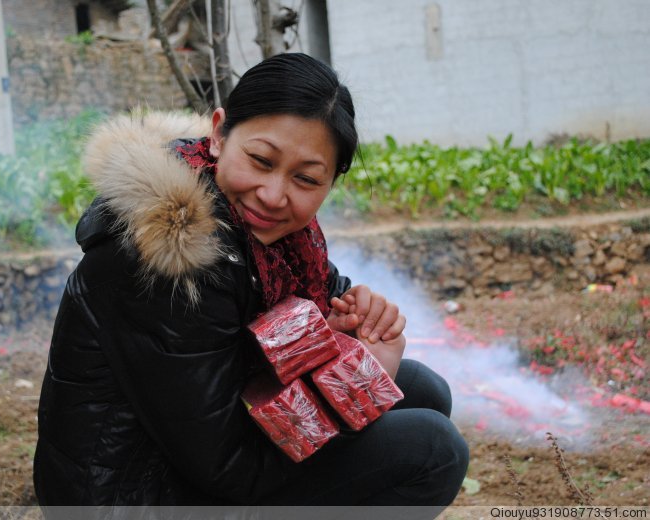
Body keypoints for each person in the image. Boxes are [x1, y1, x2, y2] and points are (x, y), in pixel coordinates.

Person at [33, 53, 468, 509]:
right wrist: (356, 383)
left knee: (423, 392)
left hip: (193, 454)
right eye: (261, 160)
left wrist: (356, 322)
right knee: (433, 451)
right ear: (219, 134)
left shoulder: (273, 236)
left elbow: (326, 298)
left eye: (305, 178)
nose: (273, 195)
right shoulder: (173, 253)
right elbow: (233, 469)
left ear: (330, 181)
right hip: (130, 495)